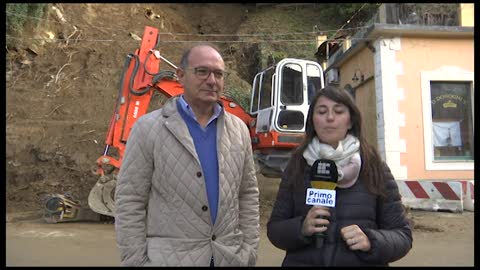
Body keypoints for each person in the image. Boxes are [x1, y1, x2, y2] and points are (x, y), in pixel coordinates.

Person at [114, 43, 260, 266]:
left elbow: (248, 194)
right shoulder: (148, 128)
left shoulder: (239, 130)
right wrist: (135, 261)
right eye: (202, 71)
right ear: (180, 76)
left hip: (228, 258)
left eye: (218, 74)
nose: (211, 80)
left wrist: (248, 251)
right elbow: (130, 199)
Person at [267, 85, 412, 266]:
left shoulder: (375, 167)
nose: (329, 118)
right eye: (321, 111)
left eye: (338, 111)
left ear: (351, 121)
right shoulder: (297, 165)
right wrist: (301, 228)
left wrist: (371, 241)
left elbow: (402, 235)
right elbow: (275, 229)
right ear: (312, 120)